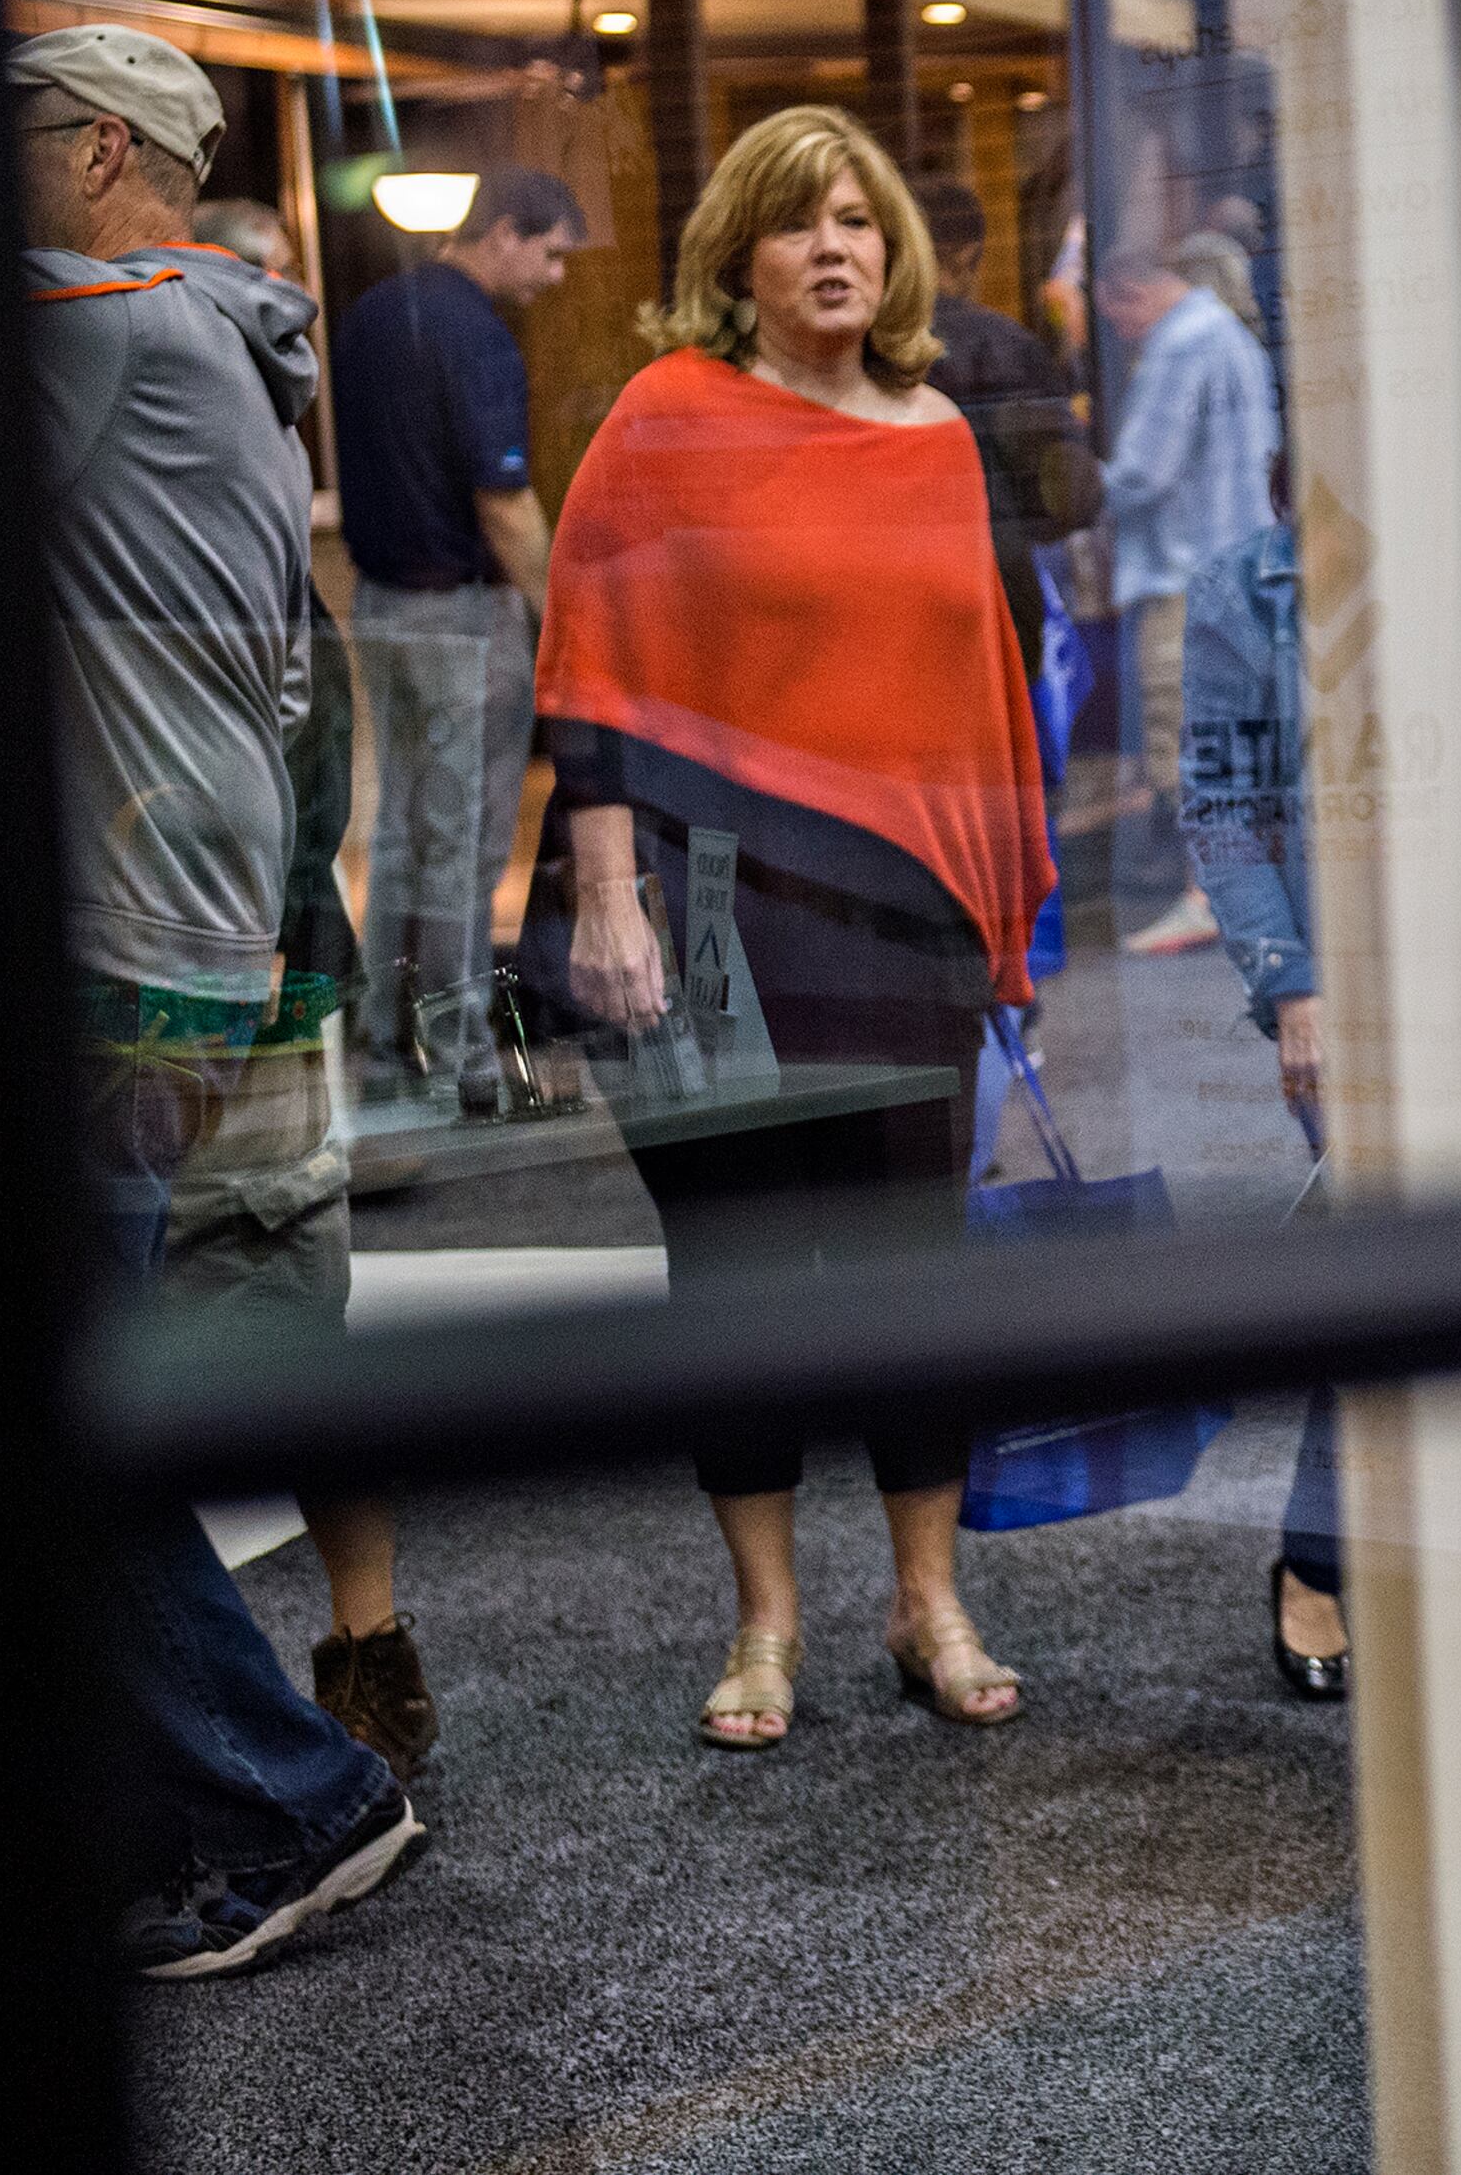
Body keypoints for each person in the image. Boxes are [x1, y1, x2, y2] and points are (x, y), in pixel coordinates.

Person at [525, 105, 1052, 1751]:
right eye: (798, 221)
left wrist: (1006, 905)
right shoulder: (668, 416)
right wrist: (606, 896)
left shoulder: (940, 432)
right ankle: (765, 1619)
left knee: (914, 1270)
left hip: (906, 920)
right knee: (739, 1273)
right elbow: (591, 662)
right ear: (736, 256)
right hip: (719, 912)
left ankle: (928, 1600)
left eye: (859, 220)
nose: (835, 247)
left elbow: (980, 688)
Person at [16, 22, 418, 1972]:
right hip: (178, 927)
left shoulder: (107, 324)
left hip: (119, 939)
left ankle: (289, 1795)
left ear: (99, 152)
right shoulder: (220, 340)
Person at [171, 197, 437, 1783]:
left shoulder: (238, 483)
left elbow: (304, 750)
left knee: (286, 1307)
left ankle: (368, 1646)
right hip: (166, 963)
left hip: (250, 970)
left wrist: (261, 935)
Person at [332, 165, 585, 1106]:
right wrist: (562, 620)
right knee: (466, 847)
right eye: (551, 254)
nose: (556, 276)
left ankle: (382, 1050)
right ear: (504, 232)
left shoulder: (369, 314)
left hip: (380, 604)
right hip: (461, 616)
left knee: (399, 834)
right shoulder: (477, 334)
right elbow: (504, 502)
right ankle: (465, 1061)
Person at [1178, 457, 1345, 1698]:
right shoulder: (1244, 585)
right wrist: (1292, 985)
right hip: (1341, 980)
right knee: (1381, 1256)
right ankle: (1319, 1555)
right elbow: (1225, 802)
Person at [1095, 239, 1280, 956]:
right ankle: (1241, 890)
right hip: (1244, 566)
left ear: (1133, 291)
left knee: (1186, 740)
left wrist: (1073, 490)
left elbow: (1144, 471)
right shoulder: (1233, 336)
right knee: (1235, 736)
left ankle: (1209, 894)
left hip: (1183, 576)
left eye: (1115, 317)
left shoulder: (1177, 345)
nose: (1118, 332)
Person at [915, 176, 1103, 670]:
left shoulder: (858, 355)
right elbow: (1070, 497)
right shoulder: (1007, 348)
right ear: (968, 255)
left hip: (897, 603)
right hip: (998, 593)